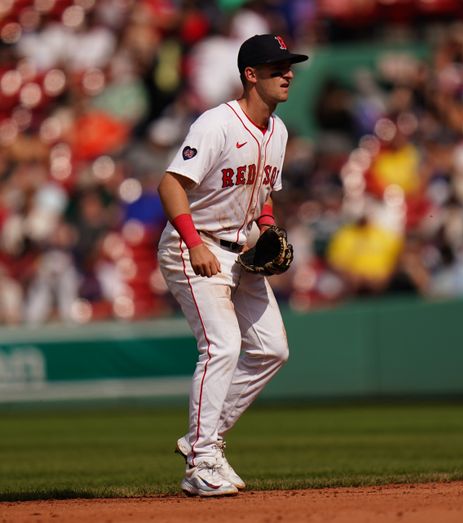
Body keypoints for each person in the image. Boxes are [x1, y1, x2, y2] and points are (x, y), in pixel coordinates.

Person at [156, 34, 308, 497]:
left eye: (290, 65)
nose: (288, 73)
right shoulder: (216, 123)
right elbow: (169, 185)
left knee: (271, 350)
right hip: (193, 246)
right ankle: (200, 464)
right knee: (222, 345)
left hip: (239, 252)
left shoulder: (278, 132)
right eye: (278, 66)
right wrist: (193, 242)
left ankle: (205, 437)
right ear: (251, 74)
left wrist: (266, 227)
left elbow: (262, 196)